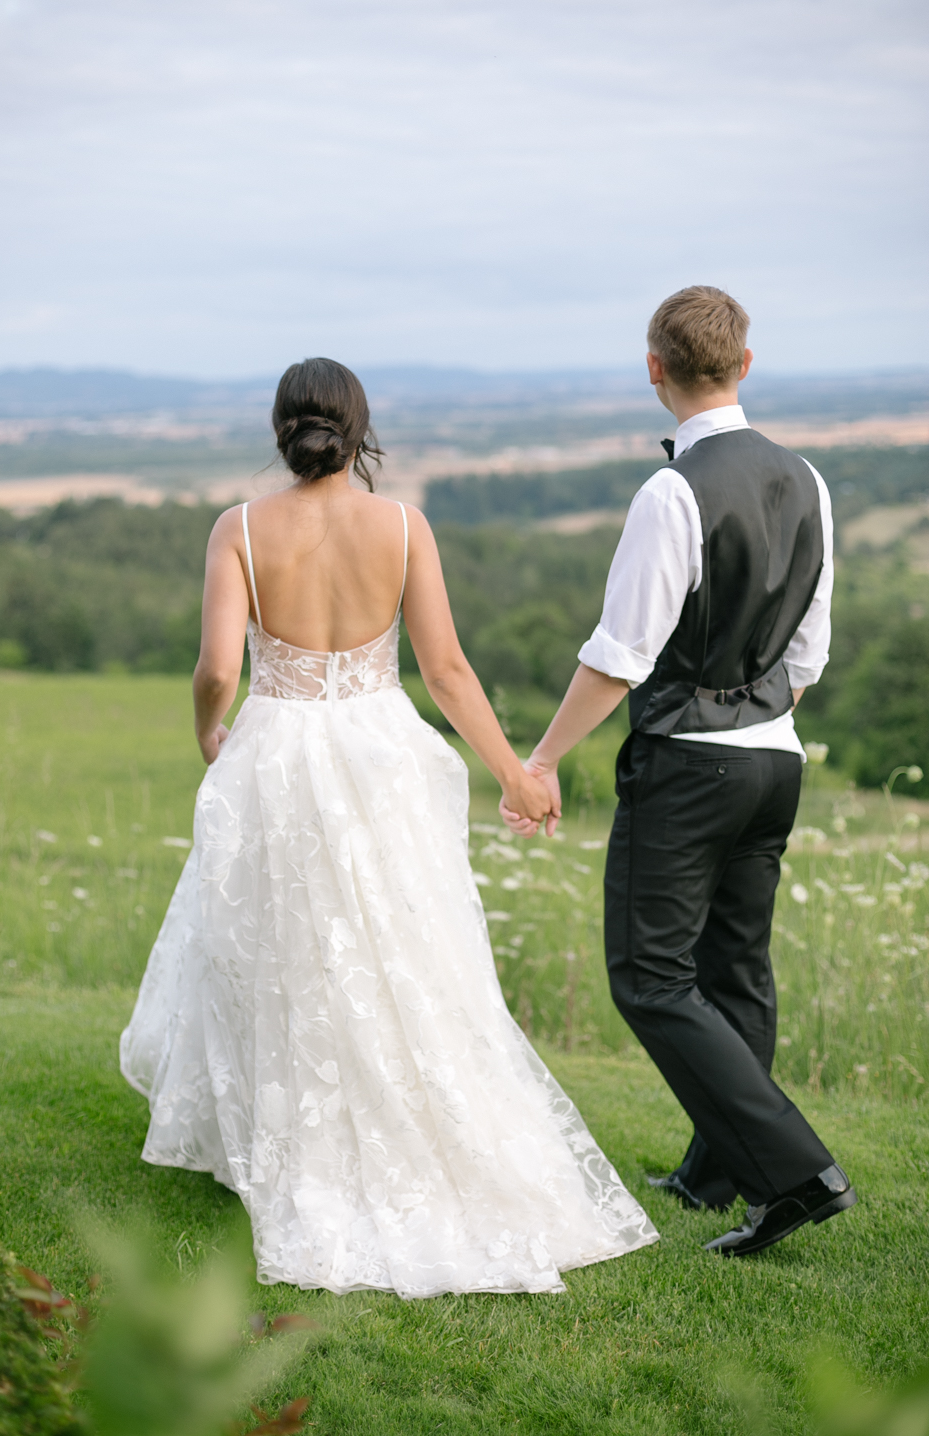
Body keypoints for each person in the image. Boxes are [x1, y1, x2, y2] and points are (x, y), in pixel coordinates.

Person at [121, 357, 658, 1298]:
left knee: (277, 946)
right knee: (399, 946)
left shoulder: (238, 529)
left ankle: (294, 1140)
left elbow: (216, 667)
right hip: (379, 754)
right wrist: (518, 775)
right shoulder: (404, 527)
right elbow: (445, 671)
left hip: (277, 754)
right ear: (359, 430)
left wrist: (209, 725)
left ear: (281, 429)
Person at [502, 287, 856, 1257]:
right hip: (774, 759)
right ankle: (713, 1170)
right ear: (744, 365)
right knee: (732, 968)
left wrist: (540, 759)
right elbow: (809, 656)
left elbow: (619, 655)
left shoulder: (672, 493)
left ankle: (791, 1175)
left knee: (648, 977)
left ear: (653, 369)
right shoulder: (810, 482)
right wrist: (755, 710)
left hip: (687, 764)